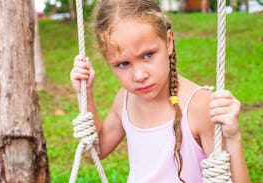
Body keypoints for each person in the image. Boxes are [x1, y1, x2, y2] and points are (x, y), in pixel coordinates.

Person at [70, 0, 250, 182]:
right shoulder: (125, 100)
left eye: (148, 55)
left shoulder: (200, 106)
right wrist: (84, 93)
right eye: (123, 64)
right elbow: (96, 149)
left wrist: (233, 137)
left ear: (169, 42)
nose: (139, 75)